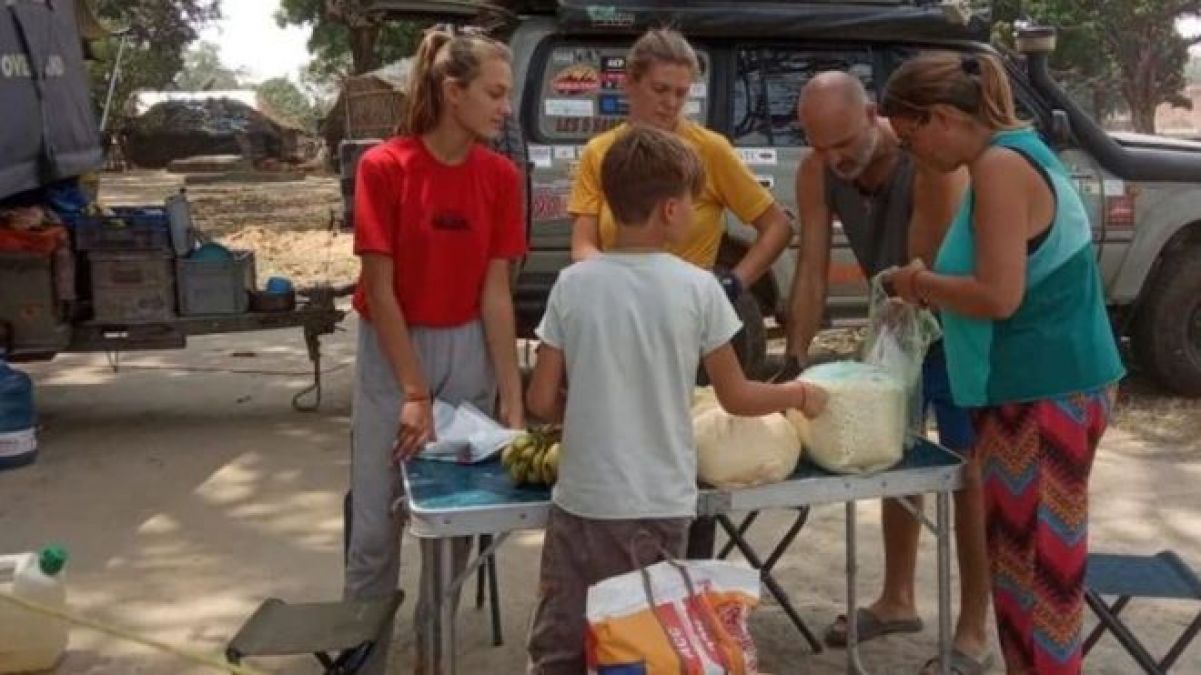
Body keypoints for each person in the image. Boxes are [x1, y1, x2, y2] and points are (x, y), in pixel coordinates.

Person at [525, 125, 828, 675]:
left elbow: (542, 399)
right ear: (670, 209)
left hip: (582, 501)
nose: (696, 211)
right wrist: (798, 393)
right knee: (645, 647)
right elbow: (736, 397)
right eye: (693, 200)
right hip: (660, 503)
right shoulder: (698, 288)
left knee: (561, 646)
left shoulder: (573, 284)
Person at [880, 51, 1125, 675]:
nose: (914, 158)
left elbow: (998, 294)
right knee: (1023, 580)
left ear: (940, 117)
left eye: (911, 141)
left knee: (1038, 591)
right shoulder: (1015, 153)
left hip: (1043, 396)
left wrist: (920, 282)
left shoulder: (999, 166)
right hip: (1034, 391)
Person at [788, 72, 993, 673]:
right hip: (894, 326)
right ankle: (897, 598)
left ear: (874, 114)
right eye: (820, 146)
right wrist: (798, 361)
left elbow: (926, 266)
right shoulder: (817, 169)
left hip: (954, 326)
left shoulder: (929, 161)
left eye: (844, 144)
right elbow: (812, 272)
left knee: (968, 475)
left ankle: (975, 625)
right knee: (891, 458)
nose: (834, 160)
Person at [568, 27, 794, 558]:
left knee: (697, 466)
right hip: (625, 331)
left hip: (698, 332)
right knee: (623, 461)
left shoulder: (707, 150)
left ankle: (689, 589)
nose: (671, 103)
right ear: (630, 84)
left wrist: (735, 281)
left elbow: (776, 226)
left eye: (681, 92)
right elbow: (581, 245)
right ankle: (623, 588)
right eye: (661, 90)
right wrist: (619, 288)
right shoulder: (601, 154)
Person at [345, 26, 526, 675]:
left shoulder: (500, 177)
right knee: (375, 524)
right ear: (453, 92)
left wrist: (511, 397)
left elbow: (496, 293)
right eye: (495, 93)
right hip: (391, 352)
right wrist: (414, 391)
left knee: (450, 526)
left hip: (468, 349)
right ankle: (361, 658)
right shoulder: (384, 167)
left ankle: (434, 658)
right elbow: (380, 287)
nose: (505, 107)